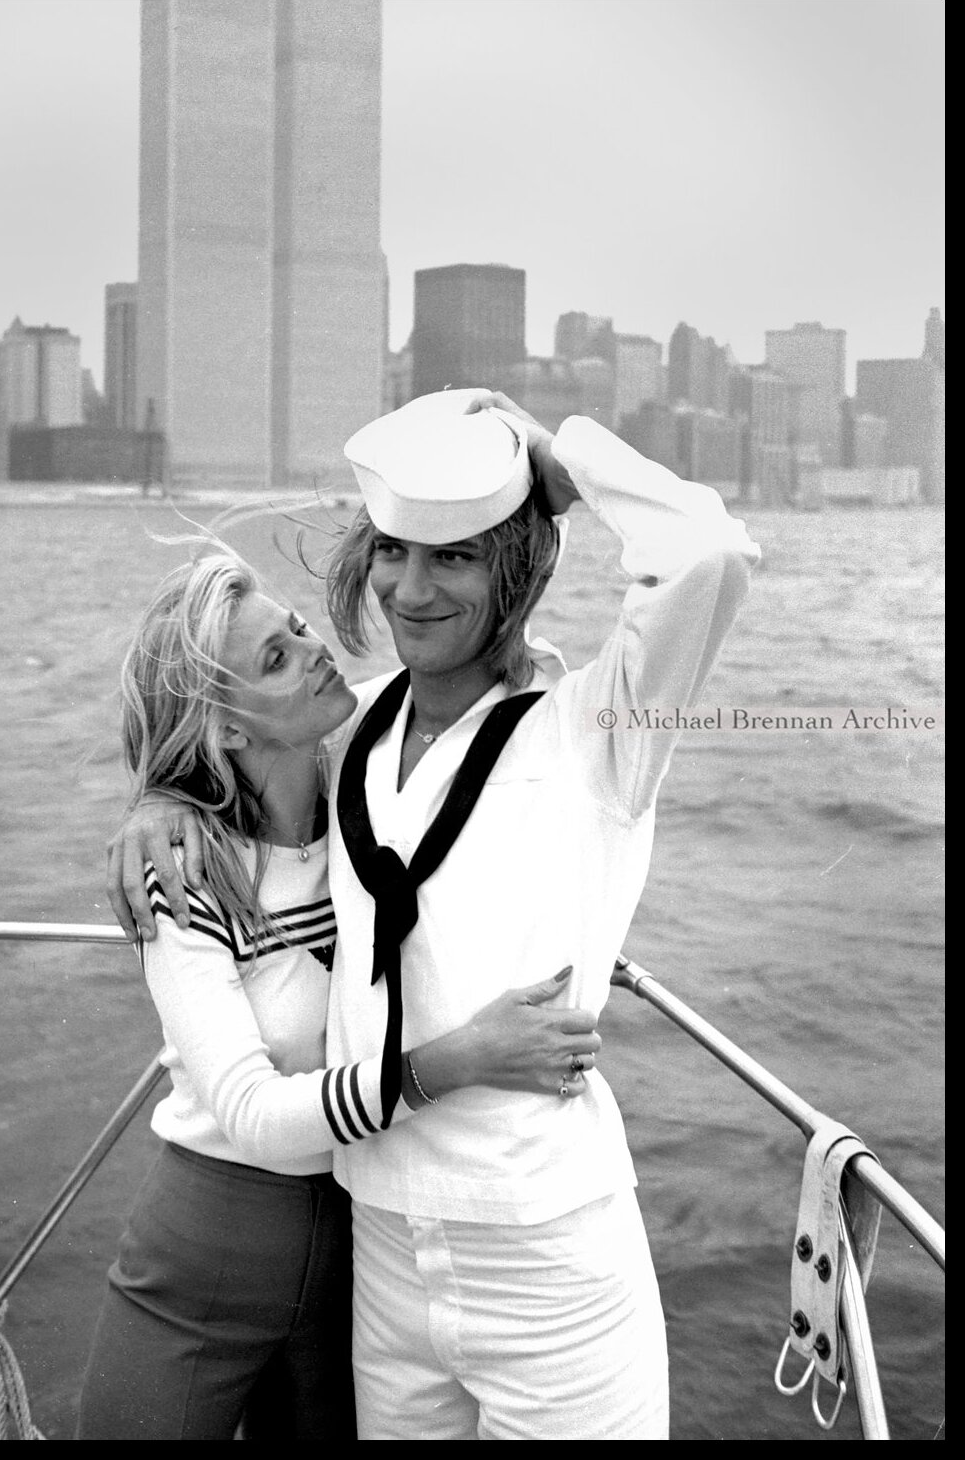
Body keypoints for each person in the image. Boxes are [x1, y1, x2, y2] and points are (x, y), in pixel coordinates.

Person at [107, 388, 761, 1440]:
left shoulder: (599, 728)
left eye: (454, 556)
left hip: (543, 1252)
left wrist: (554, 456)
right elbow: (223, 740)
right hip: (381, 1247)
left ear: (517, 569)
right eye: (396, 550)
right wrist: (152, 805)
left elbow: (710, 556)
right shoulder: (356, 725)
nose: (409, 590)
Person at [76, 540, 604, 1441]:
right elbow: (250, 1111)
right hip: (210, 1246)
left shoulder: (369, 759)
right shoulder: (189, 868)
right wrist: (462, 1059)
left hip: (360, 1242)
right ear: (229, 730)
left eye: (293, 626)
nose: (315, 649)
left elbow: (503, 683)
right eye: (275, 660)